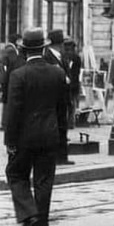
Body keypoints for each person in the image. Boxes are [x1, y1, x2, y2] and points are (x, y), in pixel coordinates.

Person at [5, 28, 67, 226]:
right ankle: (41, 221)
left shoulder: (18, 75)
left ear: (24, 50)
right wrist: (60, 135)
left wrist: (10, 141)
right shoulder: (57, 73)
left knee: (15, 174)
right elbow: (62, 108)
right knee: (44, 181)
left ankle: (29, 213)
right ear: (43, 48)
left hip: (24, 138)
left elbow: (12, 112)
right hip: (49, 135)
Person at [42, 29, 73, 165]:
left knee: (63, 126)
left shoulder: (61, 57)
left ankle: (62, 156)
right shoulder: (48, 57)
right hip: (54, 99)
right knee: (56, 127)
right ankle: (56, 156)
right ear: (59, 44)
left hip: (63, 99)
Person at [63, 38, 82, 131]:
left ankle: (70, 122)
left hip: (72, 84)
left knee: (71, 104)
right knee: (71, 104)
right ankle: (70, 122)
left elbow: (75, 73)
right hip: (73, 84)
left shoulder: (73, 58)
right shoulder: (74, 57)